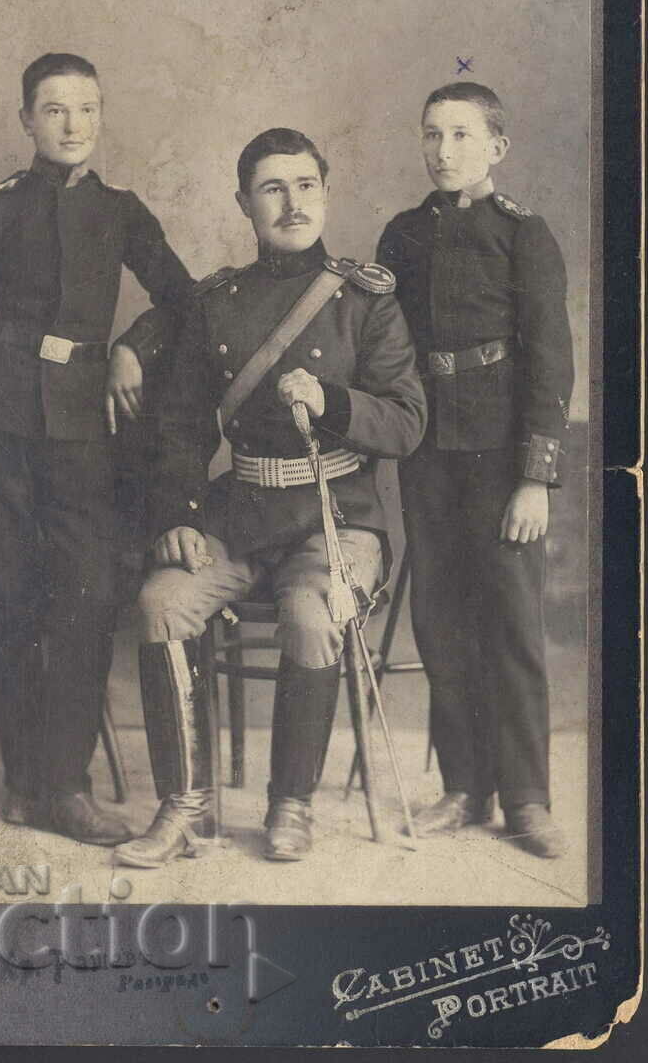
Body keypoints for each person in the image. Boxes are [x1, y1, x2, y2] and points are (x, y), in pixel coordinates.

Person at [114, 127, 426, 870]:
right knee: (161, 601)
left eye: (306, 185)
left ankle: (291, 802)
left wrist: (333, 401)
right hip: (239, 511)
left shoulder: (365, 303)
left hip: (337, 517)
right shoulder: (218, 302)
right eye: (272, 188)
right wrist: (176, 518)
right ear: (244, 204)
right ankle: (183, 807)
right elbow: (183, 425)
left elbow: (407, 422)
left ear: (325, 192)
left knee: (309, 610)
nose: (292, 203)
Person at [0, 53, 193, 845]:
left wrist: (132, 346)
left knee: (86, 592)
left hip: (85, 431)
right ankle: (21, 781)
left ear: (100, 116)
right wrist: (4, 369)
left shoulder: (124, 210)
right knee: (9, 595)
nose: (72, 124)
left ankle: (65, 787)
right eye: (53, 109)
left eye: (85, 108)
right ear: (26, 121)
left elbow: (179, 299)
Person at [375, 82, 575, 858]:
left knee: (511, 626)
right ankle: (463, 786)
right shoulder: (401, 234)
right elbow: (385, 343)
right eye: (431, 135)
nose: (443, 151)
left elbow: (551, 361)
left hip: (500, 456)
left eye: (460, 136)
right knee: (441, 622)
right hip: (427, 452)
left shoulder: (524, 235)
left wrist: (534, 477)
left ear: (496, 147)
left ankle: (525, 796)